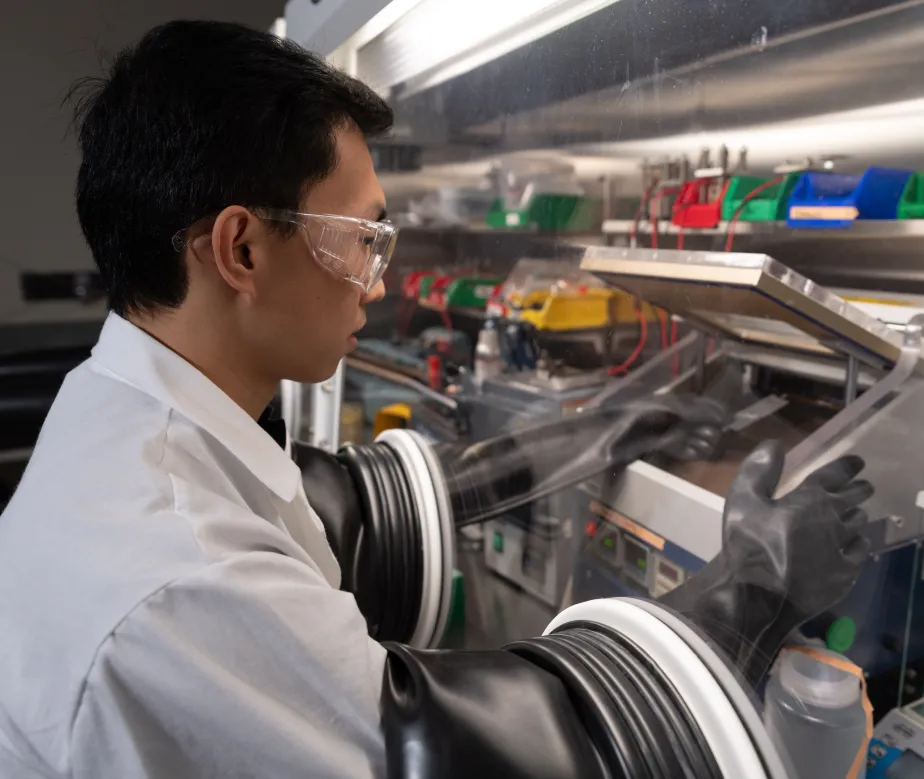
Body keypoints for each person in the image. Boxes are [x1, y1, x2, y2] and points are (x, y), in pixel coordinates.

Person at [0, 20, 872, 779]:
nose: (375, 284)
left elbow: (332, 513)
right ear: (241, 250)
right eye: (363, 240)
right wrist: (753, 586)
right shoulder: (176, 578)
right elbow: (447, 752)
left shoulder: (129, 424)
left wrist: (593, 434)